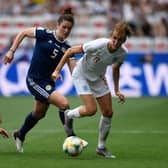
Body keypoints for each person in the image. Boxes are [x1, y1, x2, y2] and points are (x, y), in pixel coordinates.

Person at [3, 8, 87, 153]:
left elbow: (74, 70)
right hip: (34, 80)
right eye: (64, 27)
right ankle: (72, 137)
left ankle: (20, 134)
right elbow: (23, 33)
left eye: (69, 28)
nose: (66, 30)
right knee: (64, 103)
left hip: (48, 83)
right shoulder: (44, 34)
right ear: (58, 25)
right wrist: (11, 51)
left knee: (39, 113)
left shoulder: (67, 48)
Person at [52, 21, 131, 158]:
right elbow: (70, 51)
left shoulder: (123, 53)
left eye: (120, 40)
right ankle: (68, 115)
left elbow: (115, 68)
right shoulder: (99, 44)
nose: (116, 42)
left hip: (98, 78)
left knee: (108, 112)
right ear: (111, 35)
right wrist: (57, 71)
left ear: (124, 40)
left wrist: (117, 90)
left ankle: (101, 147)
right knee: (91, 110)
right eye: (115, 38)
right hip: (81, 74)